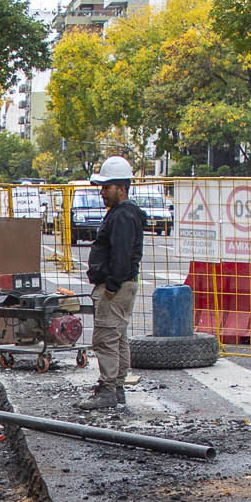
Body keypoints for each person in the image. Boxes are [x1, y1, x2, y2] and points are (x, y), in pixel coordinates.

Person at [82, 156, 147, 408]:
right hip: (123, 285)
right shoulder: (125, 215)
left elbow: (121, 254)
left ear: (121, 188)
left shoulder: (121, 217)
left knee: (106, 337)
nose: (102, 192)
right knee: (118, 337)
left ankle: (108, 389)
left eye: (106, 187)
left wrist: (111, 285)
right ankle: (116, 387)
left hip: (116, 287)